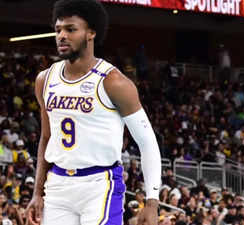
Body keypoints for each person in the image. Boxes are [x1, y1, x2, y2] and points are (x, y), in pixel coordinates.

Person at [25, 0, 162, 225]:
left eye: (71, 29)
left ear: (91, 33)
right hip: (58, 184)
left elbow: (147, 142)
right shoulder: (45, 79)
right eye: (58, 29)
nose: (61, 36)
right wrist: (37, 193)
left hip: (100, 184)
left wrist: (152, 202)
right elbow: (47, 138)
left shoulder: (114, 82)